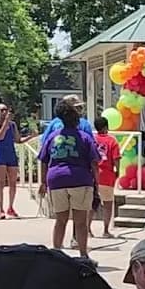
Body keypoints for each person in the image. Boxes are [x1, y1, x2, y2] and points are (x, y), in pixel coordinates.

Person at [38, 98, 100, 259]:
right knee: (80, 221)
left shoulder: (53, 136)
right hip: (80, 179)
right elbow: (94, 162)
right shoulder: (85, 137)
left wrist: (43, 182)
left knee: (61, 220)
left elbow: (44, 160)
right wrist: (97, 184)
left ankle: (56, 254)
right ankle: (83, 255)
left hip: (56, 179)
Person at [93, 114, 120, 237]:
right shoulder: (111, 141)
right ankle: (105, 230)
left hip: (93, 175)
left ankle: (87, 230)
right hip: (107, 176)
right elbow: (116, 159)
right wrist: (117, 171)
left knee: (91, 204)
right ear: (106, 127)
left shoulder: (91, 139)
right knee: (108, 204)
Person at [0, 102, 19, 218]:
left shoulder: (13, 125)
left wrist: (32, 136)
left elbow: (18, 139)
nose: (4, 112)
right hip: (0, 155)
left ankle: (11, 207)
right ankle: (1, 209)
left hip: (11, 154)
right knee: (1, 183)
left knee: (13, 183)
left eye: (5, 109)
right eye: (1, 110)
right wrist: (5, 123)